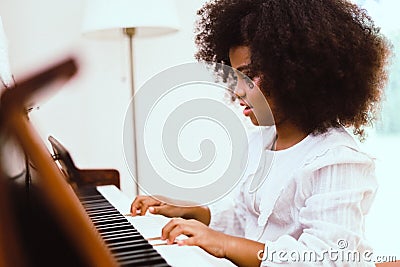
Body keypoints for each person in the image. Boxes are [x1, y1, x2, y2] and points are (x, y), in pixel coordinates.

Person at [130, 0, 391, 266]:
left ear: (296, 71)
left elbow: (326, 258)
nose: (238, 91)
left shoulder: (335, 158)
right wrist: (196, 213)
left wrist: (223, 244)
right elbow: (251, 223)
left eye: (249, 75)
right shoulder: (262, 142)